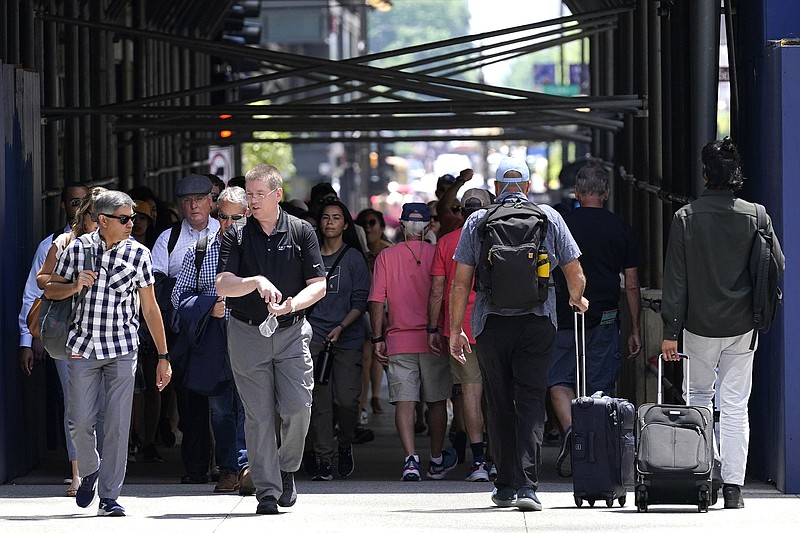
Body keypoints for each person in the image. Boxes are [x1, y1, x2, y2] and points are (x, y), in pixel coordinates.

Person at [449, 157, 588, 512]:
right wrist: (577, 299)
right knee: (529, 402)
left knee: (498, 403)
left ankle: (505, 485)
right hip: (537, 322)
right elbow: (574, 270)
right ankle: (528, 487)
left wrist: (455, 330)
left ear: (496, 188)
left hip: (491, 324)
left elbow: (461, 281)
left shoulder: (478, 221)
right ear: (526, 187)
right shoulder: (549, 218)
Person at [661, 138, 784, 510]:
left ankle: (704, 475)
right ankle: (733, 488)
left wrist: (670, 330)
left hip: (698, 325)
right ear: (735, 175)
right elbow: (777, 263)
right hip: (743, 325)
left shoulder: (686, 218)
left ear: (704, 174)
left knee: (699, 398)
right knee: (735, 407)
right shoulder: (757, 215)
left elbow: (676, 280)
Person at [45, 190, 172, 517]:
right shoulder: (77, 250)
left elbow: (150, 306)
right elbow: (49, 285)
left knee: (117, 425)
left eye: (133, 218)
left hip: (122, 349)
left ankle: (111, 496)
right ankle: (89, 470)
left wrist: (163, 356)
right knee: (80, 421)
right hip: (83, 347)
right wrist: (74, 286)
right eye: (125, 219)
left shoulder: (139, 255)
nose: (133, 224)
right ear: (103, 221)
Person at [215, 163, 326, 515]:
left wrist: (294, 303)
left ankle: (286, 466)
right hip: (247, 332)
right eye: (249, 194)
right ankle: (266, 490)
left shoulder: (301, 231)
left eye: (259, 194)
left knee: (297, 407)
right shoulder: (236, 233)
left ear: (277, 194)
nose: (252, 200)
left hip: (292, 331)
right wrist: (255, 281)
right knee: (258, 416)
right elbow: (223, 284)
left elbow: (319, 285)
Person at [547, 162, 643, 477]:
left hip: (564, 315)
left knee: (559, 379)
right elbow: (631, 283)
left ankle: (573, 432)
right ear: (606, 193)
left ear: (576, 192)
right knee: (600, 384)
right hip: (606, 316)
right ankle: (596, 450)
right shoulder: (621, 227)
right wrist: (635, 328)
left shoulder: (562, 225)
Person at [368, 202, 457, 482]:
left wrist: (378, 336)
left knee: (405, 403)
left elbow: (376, 301)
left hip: (398, 339)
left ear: (402, 226)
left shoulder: (386, 257)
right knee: (437, 401)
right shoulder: (439, 252)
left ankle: (410, 460)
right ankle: (436, 458)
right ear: (429, 227)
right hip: (434, 340)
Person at [171, 186, 250, 494]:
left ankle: (242, 466)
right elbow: (179, 297)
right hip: (214, 341)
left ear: (248, 216)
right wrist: (209, 306)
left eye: (236, 217)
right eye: (223, 216)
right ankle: (230, 467)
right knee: (219, 410)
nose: (228, 223)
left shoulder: (256, 250)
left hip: (249, 337)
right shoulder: (201, 250)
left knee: (249, 407)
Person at [18, 182, 89, 495]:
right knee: (75, 406)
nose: (80, 209)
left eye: (85, 203)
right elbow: (35, 292)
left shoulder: (111, 245)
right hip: (65, 334)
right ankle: (79, 472)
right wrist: (27, 339)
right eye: (74, 203)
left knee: (101, 406)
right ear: (64, 206)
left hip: (104, 334)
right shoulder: (54, 244)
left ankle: (100, 468)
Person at [151, 173, 220, 484]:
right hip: (184, 334)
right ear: (179, 206)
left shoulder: (226, 232)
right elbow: (154, 288)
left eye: (199, 199)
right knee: (190, 401)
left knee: (223, 400)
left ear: (211, 201)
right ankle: (196, 467)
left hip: (220, 331)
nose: (194, 206)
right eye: (187, 201)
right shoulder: (168, 239)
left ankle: (229, 466)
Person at [427, 187, 494, 482]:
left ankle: (478, 461)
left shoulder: (446, 242)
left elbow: (438, 290)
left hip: (461, 328)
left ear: (461, 212)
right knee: (498, 393)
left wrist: (433, 326)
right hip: (496, 325)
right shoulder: (501, 236)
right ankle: (497, 458)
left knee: (470, 392)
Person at [305, 199, 370, 480]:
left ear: (345, 224)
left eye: (336, 218)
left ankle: (344, 443)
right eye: (326, 217)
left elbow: (361, 300)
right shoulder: (309, 256)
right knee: (319, 401)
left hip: (347, 337)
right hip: (315, 336)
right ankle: (322, 457)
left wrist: (342, 326)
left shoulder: (354, 258)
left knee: (345, 401)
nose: (330, 222)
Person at [355, 208, 393, 420]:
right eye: (365, 224)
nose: (368, 228)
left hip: (384, 310)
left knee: (378, 355)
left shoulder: (389, 251)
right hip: (361, 310)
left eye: (372, 223)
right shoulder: (355, 253)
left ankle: (376, 397)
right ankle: (363, 403)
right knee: (366, 356)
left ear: (381, 227)